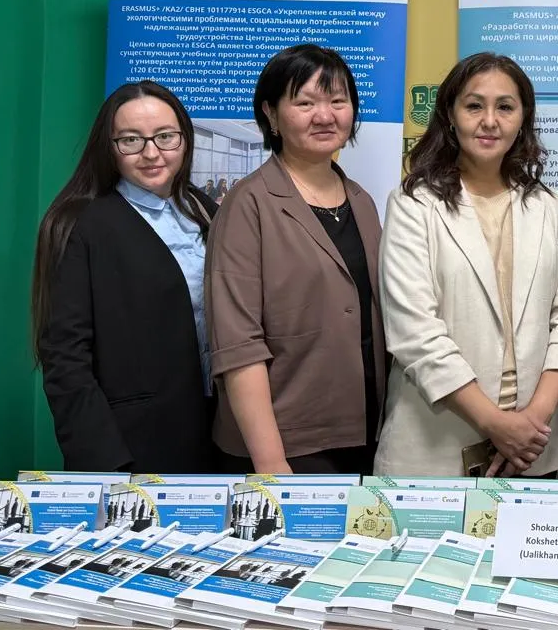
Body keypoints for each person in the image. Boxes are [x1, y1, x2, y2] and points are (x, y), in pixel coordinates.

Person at [375, 52, 558, 477]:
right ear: (450, 116)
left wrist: (528, 427)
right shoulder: (413, 204)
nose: (490, 121)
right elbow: (415, 333)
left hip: (534, 450)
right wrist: (495, 424)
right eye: (474, 105)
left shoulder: (549, 206)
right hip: (436, 449)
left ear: (522, 119)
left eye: (505, 107)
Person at [206, 44, 386, 473]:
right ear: (271, 114)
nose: (324, 116)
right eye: (305, 103)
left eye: (338, 101)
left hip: (364, 429)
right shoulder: (248, 204)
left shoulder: (361, 201)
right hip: (284, 443)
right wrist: (271, 461)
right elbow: (237, 344)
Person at [32, 81, 217, 470]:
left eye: (165, 137)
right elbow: (65, 358)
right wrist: (106, 462)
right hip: (133, 447)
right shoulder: (79, 223)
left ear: (185, 139)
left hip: (218, 434)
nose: (151, 153)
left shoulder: (205, 210)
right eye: (131, 140)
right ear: (109, 146)